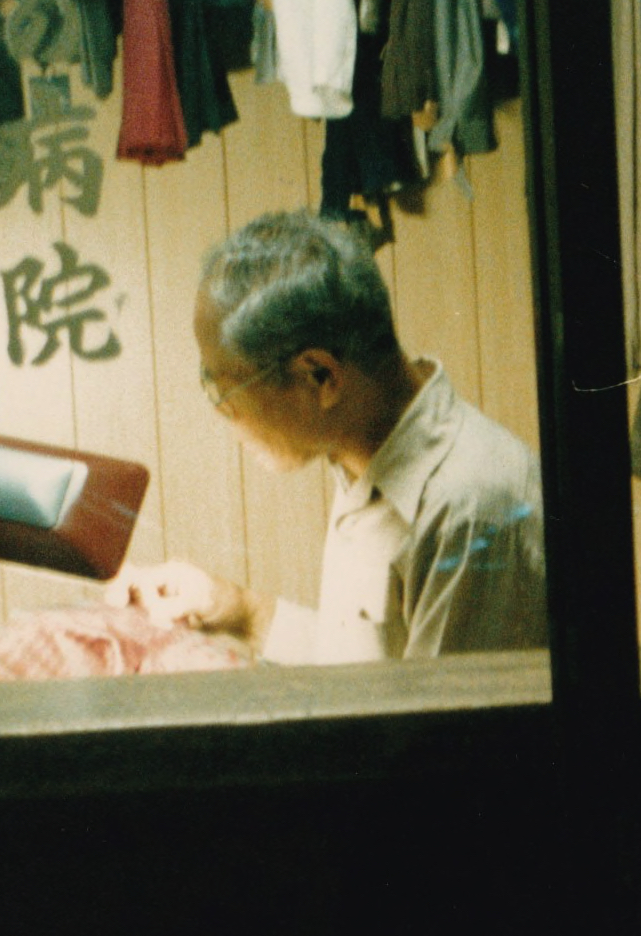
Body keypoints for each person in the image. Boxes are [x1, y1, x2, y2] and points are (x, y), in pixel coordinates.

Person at [112, 209, 548, 661]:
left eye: (224, 389)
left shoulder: (468, 509)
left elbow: (430, 708)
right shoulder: (365, 454)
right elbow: (374, 665)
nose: (223, 413)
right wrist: (240, 612)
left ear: (321, 376)